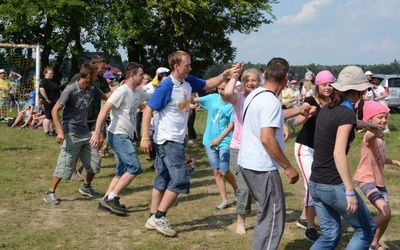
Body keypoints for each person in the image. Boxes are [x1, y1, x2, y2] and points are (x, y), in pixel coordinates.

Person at [140, 50, 240, 237]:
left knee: (162, 178)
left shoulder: (187, 81)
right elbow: (148, 111)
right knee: (180, 179)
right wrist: (145, 137)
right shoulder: (166, 86)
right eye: (187, 65)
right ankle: (159, 217)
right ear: (176, 66)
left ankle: (152, 216)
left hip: (175, 139)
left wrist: (225, 75)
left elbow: (209, 84)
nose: (190, 68)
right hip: (169, 139)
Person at [238, 57, 314, 249]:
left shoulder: (254, 95)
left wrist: (299, 110)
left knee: (265, 213)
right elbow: (267, 138)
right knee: (272, 217)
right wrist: (288, 167)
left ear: (265, 75)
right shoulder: (270, 101)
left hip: (246, 163)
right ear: (286, 77)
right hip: (262, 168)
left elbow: (271, 116)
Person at [309, 66, 376, 249]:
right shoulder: (345, 113)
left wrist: (369, 125)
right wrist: (349, 191)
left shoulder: (327, 109)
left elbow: (343, 124)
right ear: (361, 90)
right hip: (333, 185)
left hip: (316, 182)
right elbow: (338, 152)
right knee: (366, 229)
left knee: (329, 235)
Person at [43, 63, 108, 205]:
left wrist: (123, 94)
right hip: (71, 132)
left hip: (85, 132)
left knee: (95, 161)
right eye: (96, 76)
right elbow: (55, 110)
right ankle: (50, 193)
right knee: (65, 165)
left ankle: (86, 187)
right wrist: (60, 132)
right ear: (89, 76)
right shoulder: (71, 90)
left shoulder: (92, 88)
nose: (98, 78)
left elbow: (106, 97)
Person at [90, 62, 150, 215]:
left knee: (121, 171)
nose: (143, 77)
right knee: (134, 167)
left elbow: (152, 98)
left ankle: (105, 201)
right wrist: (97, 133)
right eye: (141, 74)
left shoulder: (137, 92)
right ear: (132, 75)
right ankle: (112, 198)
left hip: (126, 136)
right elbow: (104, 110)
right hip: (118, 134)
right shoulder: (121, 91)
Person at [293, 70, 335, 242]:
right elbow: (296, 122)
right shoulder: (310, 101)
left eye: (330, 84)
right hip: (305, 148)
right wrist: (307, 115)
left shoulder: (333, 103)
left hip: (321, 150)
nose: (328, 87)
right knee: (313, 185)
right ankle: (310, 227)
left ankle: (303, 218)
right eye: (324, 84)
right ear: (318, 85)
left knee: (317, 183)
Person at [353, 101, 400, 250]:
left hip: (378, 181)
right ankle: (363, 235)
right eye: (380, 117)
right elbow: (368, 136)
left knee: (387, 214)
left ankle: (373, 243)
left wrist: (395, 162)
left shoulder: (381, 137)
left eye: (385, 117)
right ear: (370, 120)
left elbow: (380, 157)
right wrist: (373, 128)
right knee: (385, 211)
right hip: (366, 179)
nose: (384, 120)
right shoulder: (371, 134)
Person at [224, 67, 262, 235]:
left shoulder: (263, 99)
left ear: (259, 82)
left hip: (259, 149)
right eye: (246, 80)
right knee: (244, 187)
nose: (250, 83)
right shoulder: (238, 98)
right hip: (238, 148)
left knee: (260, 186)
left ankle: (263, 218)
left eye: (253, 80)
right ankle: (241, 220)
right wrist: (234, 76)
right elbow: (227, 93)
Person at [193, 80, 237, 210]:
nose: (220, 91)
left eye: (223, 89)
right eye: (219, 88)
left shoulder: (233, 104)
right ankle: (224, 200)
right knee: (216, 171)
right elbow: (195, 100)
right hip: (209, 141)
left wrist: (220, 139)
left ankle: (238, 189)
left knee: (224, 171)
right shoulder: (212, 98)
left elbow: (232, 125)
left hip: (224, 141)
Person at [39, 67, 61, 136]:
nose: (52, 74)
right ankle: (46, 132)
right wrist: (47, 99)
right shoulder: (45, 80)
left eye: (52, 73)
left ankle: (52, 130)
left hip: (53, 101)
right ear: (45, 73)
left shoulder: (49, 81)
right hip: (48, 102)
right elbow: (41, 89)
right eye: (50, 73)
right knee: (48, 116)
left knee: (52, 116)